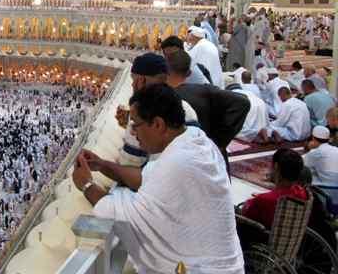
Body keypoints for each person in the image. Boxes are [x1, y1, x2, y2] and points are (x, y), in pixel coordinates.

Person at [73, 84, 244, 274]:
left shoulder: (178, 161)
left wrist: (86, 185)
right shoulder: (195, 139)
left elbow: (129, 217)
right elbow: (144, 178)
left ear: (157, 124)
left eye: (135, 124)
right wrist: (102, 165)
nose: (133, 132)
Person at [165, 49, 249, 164]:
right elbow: (243, 102)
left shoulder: (165, 98)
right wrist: (219, 140)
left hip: (183, 158)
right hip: (209, 155)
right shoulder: (205, 91)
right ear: (189, 73)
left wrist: (218, 141)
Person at [240, 149, 308, 236]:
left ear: (276, 167)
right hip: (291, 237)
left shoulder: (264, 200)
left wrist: (251, 202)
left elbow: (245, 214)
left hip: (262, 238)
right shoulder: (304, 193)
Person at [303, 126, 338, 200]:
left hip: (326, 192)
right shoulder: (336, 149)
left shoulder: (315, 153)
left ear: (313, 138)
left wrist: (309, 150)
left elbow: (302, 165)